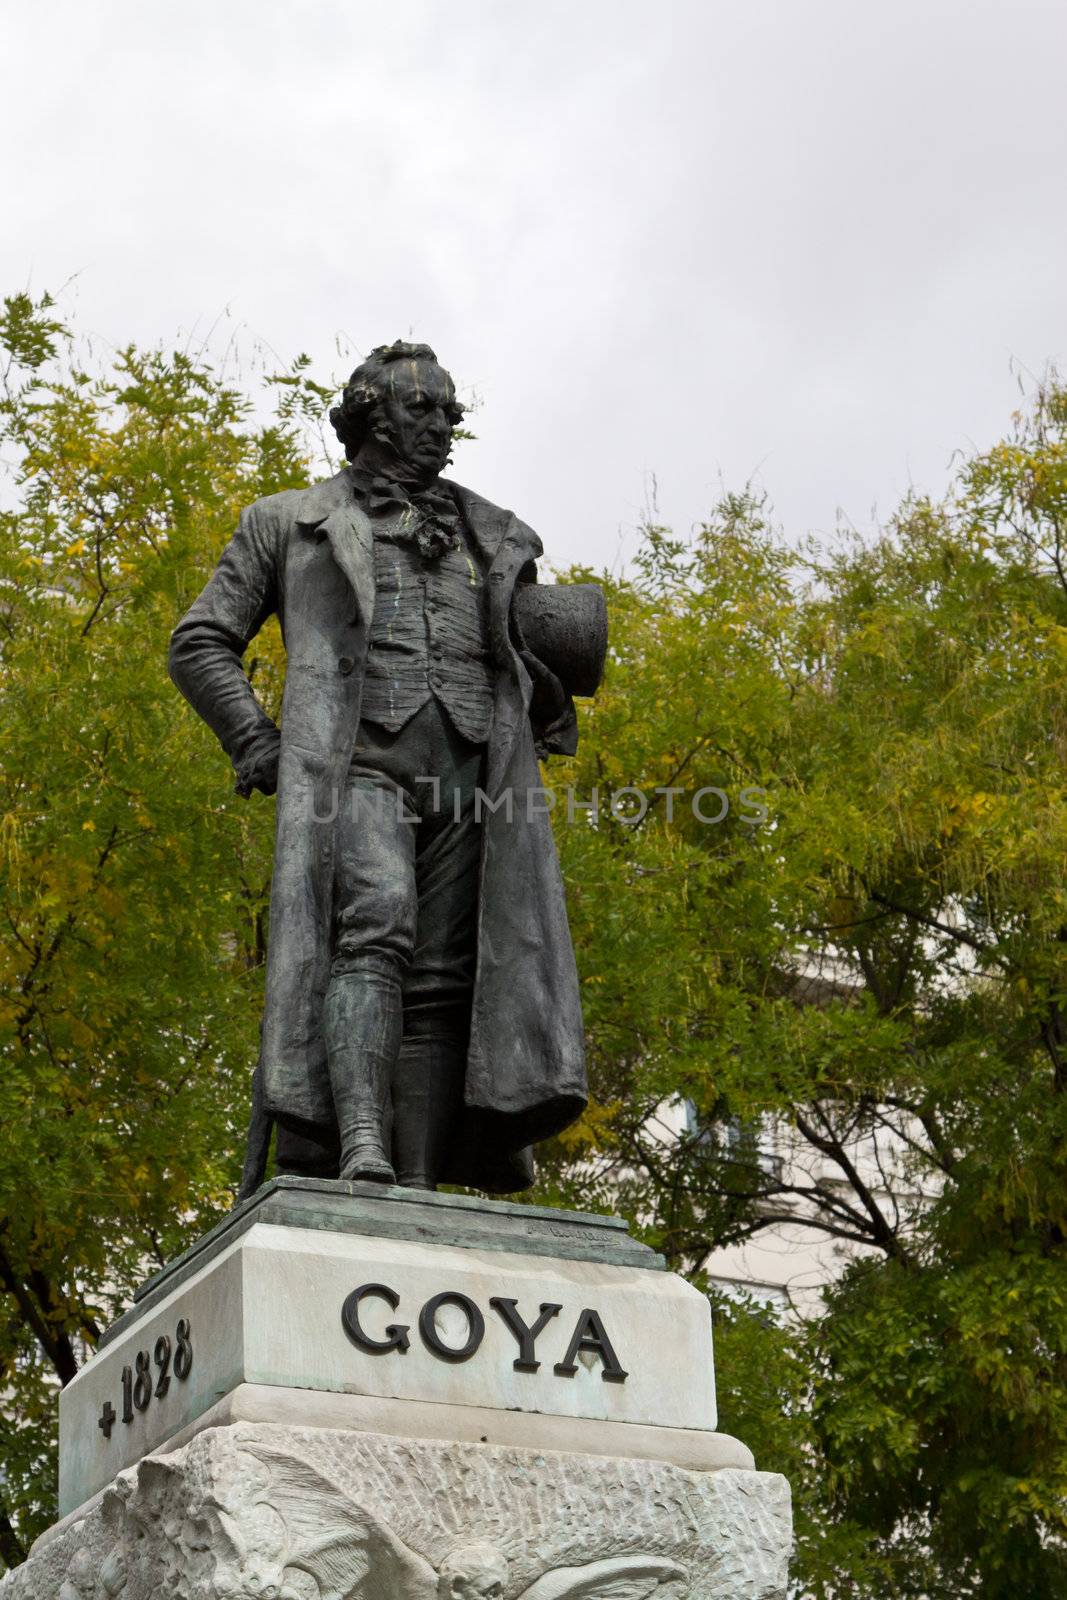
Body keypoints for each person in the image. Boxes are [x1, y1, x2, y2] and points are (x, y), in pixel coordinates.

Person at [169, 341, 605, 1195]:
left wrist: (550, 683)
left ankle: (415, 1175)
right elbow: (200, 642)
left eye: (451, 414)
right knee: (376, 929)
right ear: (369, 412)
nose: (442, 427)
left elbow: (522, 662)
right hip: (357, 767)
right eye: (422, 410)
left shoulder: (495, 535)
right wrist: (254, 738)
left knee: (448, 979)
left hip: (474, 777)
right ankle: (358, 1141)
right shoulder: (286, 521)